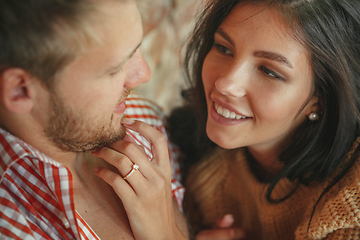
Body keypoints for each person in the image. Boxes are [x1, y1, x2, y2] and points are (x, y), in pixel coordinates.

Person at [168, 0, 360, 239]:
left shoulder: (351, 201)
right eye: (224, 48)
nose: (226, 84)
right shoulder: (204, 181)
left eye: (269, 71)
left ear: (320, 100)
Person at [0, 0, 187, 239]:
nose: (143, 75)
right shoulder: (12, 225)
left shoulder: (145, 121)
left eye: (137, 48)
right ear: (21, 90)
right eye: (114, 69)